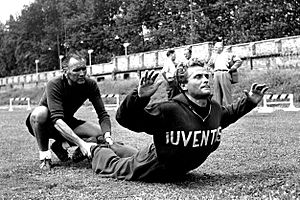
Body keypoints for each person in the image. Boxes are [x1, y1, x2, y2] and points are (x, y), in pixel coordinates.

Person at [89, 62, 268, 181]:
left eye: (206, 76)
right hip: (154, 164)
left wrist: (250, 102)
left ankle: (115, 146)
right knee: (116, 167)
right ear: (183, 86)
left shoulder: (214, 108)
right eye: (198, 77)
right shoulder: (169, 109)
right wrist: (139, 97)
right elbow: (126, 119)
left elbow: (228, 114)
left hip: (173, 165)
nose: (205, 79)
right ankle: (95, 149)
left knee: (135, 153)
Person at [25, 50, 112, 170]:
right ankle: (45, 157)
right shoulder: (54, 84)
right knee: (40, 113)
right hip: (46, 123)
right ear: (65, 72)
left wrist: (107, 136)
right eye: (76, 70)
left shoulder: (90, 85)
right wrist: (82, 144)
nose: (82, 73)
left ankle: (61, 145)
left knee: (98, 134)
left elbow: (102, 114)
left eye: (83, 69)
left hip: (66, 121)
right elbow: (56, 120)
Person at [207, 41, 243, 105]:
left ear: (221, 48)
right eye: (214, 47)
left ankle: (230, 110)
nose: (215, 49)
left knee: (227, 94)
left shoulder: (228, 54)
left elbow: (239, 61)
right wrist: (212, 71)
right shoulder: (214, 55)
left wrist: (233, 68)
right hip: (216, 74)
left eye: (216, 47)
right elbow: (209, 65)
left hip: (225, 73)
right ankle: (218, 110)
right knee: (217, 94)